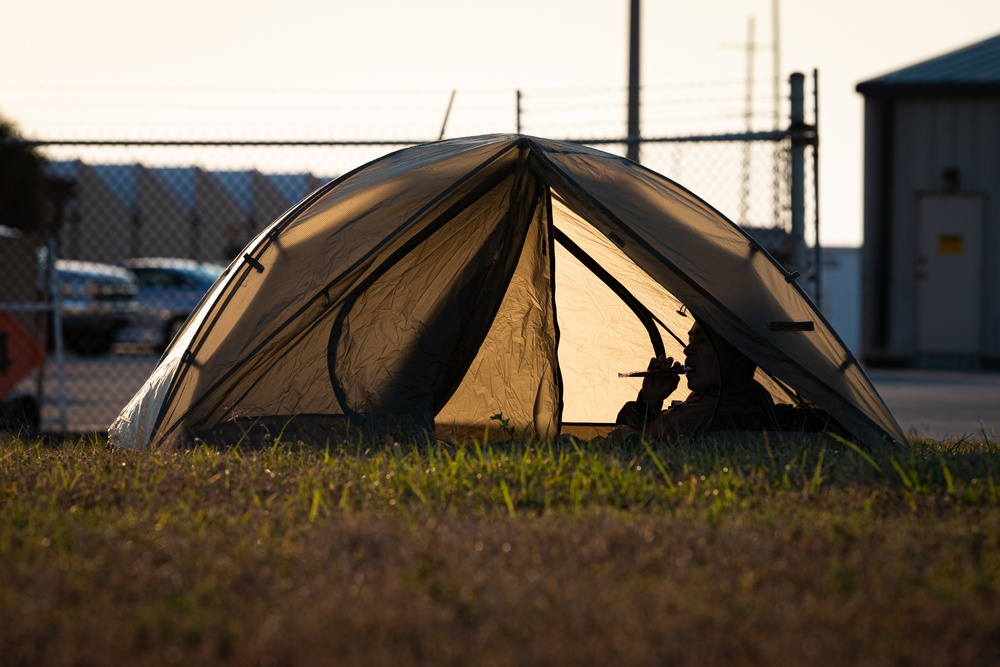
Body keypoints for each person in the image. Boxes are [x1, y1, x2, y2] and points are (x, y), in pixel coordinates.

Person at [611, 319, 777, 443]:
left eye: (702, 340)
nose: (687, 349)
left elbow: (670, 460)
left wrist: (622, 434)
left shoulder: (739, 409)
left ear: (738, 352)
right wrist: (649, 401)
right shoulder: (706, 397)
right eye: (690, 340)